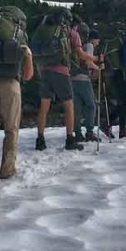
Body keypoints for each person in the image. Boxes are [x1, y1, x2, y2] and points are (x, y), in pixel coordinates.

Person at [0, 8, 34, 179]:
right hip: (11, 83)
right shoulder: (20, 36)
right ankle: (7, 169)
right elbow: (27, 75)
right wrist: (29, 57)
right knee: (11, 128)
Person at [35, 16, 94, 152]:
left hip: (44, 71)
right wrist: (96, 58)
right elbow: (81, 55)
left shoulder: (45, 31)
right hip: (61, 72)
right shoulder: (72, 33)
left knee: (44, 107)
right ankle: (70, 140)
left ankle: (40, 139)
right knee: (69, 106)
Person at [73, 29, 102, 142]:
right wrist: (98, 68)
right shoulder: (89, 45)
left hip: (73, 78)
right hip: (83, 79)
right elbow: (88, 62)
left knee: (77, 107)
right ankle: (89, 131)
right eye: (98, 40)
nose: (98, 43)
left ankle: (78, 133)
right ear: (94, 39)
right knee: (91, 105)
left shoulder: (80, 46)